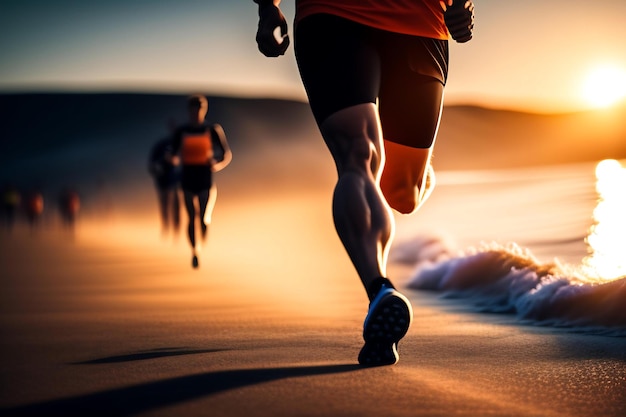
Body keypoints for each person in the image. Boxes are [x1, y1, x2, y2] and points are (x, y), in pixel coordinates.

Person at [253, 0, 474, 366]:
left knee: (403, 193)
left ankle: (403, 191)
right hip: (334, 14)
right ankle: (379, 289)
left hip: (420, 22)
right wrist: (267, 6)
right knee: (358, 153)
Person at [170, 95, 232, 269]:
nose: (196, 113)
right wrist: (172, 159)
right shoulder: (182, 131)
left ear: (203, 110)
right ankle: (194, 251)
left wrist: (216, 164)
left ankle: (203, 242)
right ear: (189, 111)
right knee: (191, 217)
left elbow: (226, 154)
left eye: (199, 109)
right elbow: (173, 155)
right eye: (193, 109)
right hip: (188, 178)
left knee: (204, 218)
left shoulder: (212, 129)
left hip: (205, 178)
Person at [148, 119, 181, 236]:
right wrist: (160, 168)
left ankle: (176, 230)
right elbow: (152, 165)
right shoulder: (162, 145)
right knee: (165, 205)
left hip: (177, 181)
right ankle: (166, 228)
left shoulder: (182, 145)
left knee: (177, 206)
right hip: (163, 181)